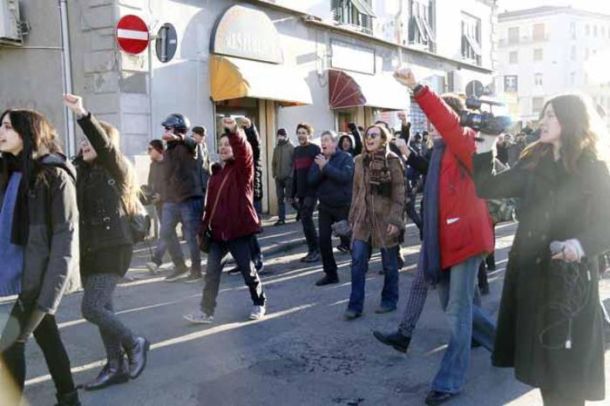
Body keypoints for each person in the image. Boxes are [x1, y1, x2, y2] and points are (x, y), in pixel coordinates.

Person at [473, 94, 610, 406]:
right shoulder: (534, 163)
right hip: (533, 280)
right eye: (543, 115)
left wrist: (580, 245)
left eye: (551, 115)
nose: (542, 122)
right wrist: (486, 143)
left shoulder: (594, 168)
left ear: (570, 120)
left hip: (571, 285)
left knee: (569, 378)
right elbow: (487, 186)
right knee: (546, 375)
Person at [382, 67, 496, 405]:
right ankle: (507, 344)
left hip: (467, 239)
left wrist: (417, 87)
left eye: (434, 120)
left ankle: (449, 381)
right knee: (455, 307)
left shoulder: (464, 142)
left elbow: (448, 122)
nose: (430, 126)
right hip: (445, 241)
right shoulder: (440, 152)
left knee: (458, 311)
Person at [65, 94, 149, 391]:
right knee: (104, 310)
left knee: (91, 308)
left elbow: (104, 146)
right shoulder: (79, 172)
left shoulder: (117, 167)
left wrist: (81, 113)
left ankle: (134, 342)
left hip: (112, 248)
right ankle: (115, 366)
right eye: (82, 141)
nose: (84, 144)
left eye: (90, 140)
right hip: (89, 251)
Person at [0, 109, 81, 406]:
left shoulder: (54, 175)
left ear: (28, 132)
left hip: (40, 280)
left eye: (8, 127)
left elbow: (65, 241)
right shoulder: (11, 172)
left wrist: (48, 296)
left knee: (9, 345)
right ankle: (69, 399)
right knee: (48, 337)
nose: (1, 132)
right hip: (24, 275)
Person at [184, 117, 266, 324]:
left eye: (227, 144)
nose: (223, 148)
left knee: (248, 271)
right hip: (218, 234)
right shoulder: (216, 174)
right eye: (220, 145)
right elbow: (210, 206)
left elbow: (245, 151)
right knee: (211, 274)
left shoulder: (243, 170)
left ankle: (259, 302)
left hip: (238, 232)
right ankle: (206, 311)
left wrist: (234, 131)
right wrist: (204, 228)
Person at [344, 124, 405, 320]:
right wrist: (352, 216)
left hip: (385, 219)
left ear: (383, 139)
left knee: (389, 264)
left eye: (374, 135)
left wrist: (395, 220)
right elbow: (356, 191)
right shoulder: (359, 161)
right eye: (367, 135)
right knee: (357, 261)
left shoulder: (392, 161)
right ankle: (355, 306)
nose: (369, 138)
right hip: (363, 219)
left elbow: (399, 192)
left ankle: (389, 300)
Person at [160, 113, 205, 283]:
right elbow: (166, 175)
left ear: (178, 129)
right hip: (172, 199)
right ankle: (180, 266)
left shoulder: (190, 146)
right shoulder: (168, 150)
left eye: (168, 128)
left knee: (191, 236)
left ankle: (196, 270)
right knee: (166, 232)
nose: (165, 131)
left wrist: (178, 137)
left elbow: (193, 143)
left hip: (190, 198)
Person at [308, 130, 354, 286]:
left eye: (326, 140)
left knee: (350, 240)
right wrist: (322, 168)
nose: (323, 143)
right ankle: (331, 274)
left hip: (342, 206)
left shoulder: (346, 158)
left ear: (334, 143)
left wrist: (326, 167)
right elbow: (311, 181)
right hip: (325, 207)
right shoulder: (319, 159)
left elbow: (344, 177)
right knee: (324, 240)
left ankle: (359, 265)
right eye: (322, 140)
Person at [145, 139, 178, 274]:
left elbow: (175, 184)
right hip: (158, 204)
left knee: (165, 232)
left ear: (159, 150)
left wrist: (162, 196)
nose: (148, 152)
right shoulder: (153, 165)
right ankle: (179, 263)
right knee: (170, 234)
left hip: (171, 203)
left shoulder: (169, 163)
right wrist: (148, 194)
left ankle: (156, 261)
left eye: (150, 149)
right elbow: (150, 183)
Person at [290, 123, 321, 263]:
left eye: (304, 133)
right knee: (305, 221)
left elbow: (319, 171)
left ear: (309, 135)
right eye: (299, 133)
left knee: (306, 219)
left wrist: (316, 190)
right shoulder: (296, 151)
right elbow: (296, 174)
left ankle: (315, 251)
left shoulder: (315, 149)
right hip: (301, 192)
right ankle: (313, 249)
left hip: (312, 191)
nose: (301, 135)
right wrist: (292, 194)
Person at [271, 128, 294, 226]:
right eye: (279, 135)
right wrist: (274, 174)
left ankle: (301, 211)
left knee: (289, 198)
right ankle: (281, 219)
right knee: (280, 199)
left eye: (282, 135)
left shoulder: (291, 147)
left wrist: (291, 175)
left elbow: (294, 163)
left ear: (285, 136)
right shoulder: (276, 148)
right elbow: (273, 163)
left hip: (288, 177)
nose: (280, 137)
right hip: (278, 178)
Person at [192, 126, 211, 202]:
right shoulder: (191, 146)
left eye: (204, 136)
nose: (204, 138)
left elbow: (207, 162)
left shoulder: (204, 146)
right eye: (202, 136)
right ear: (195, 135)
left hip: (204, 183)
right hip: (194, 185)